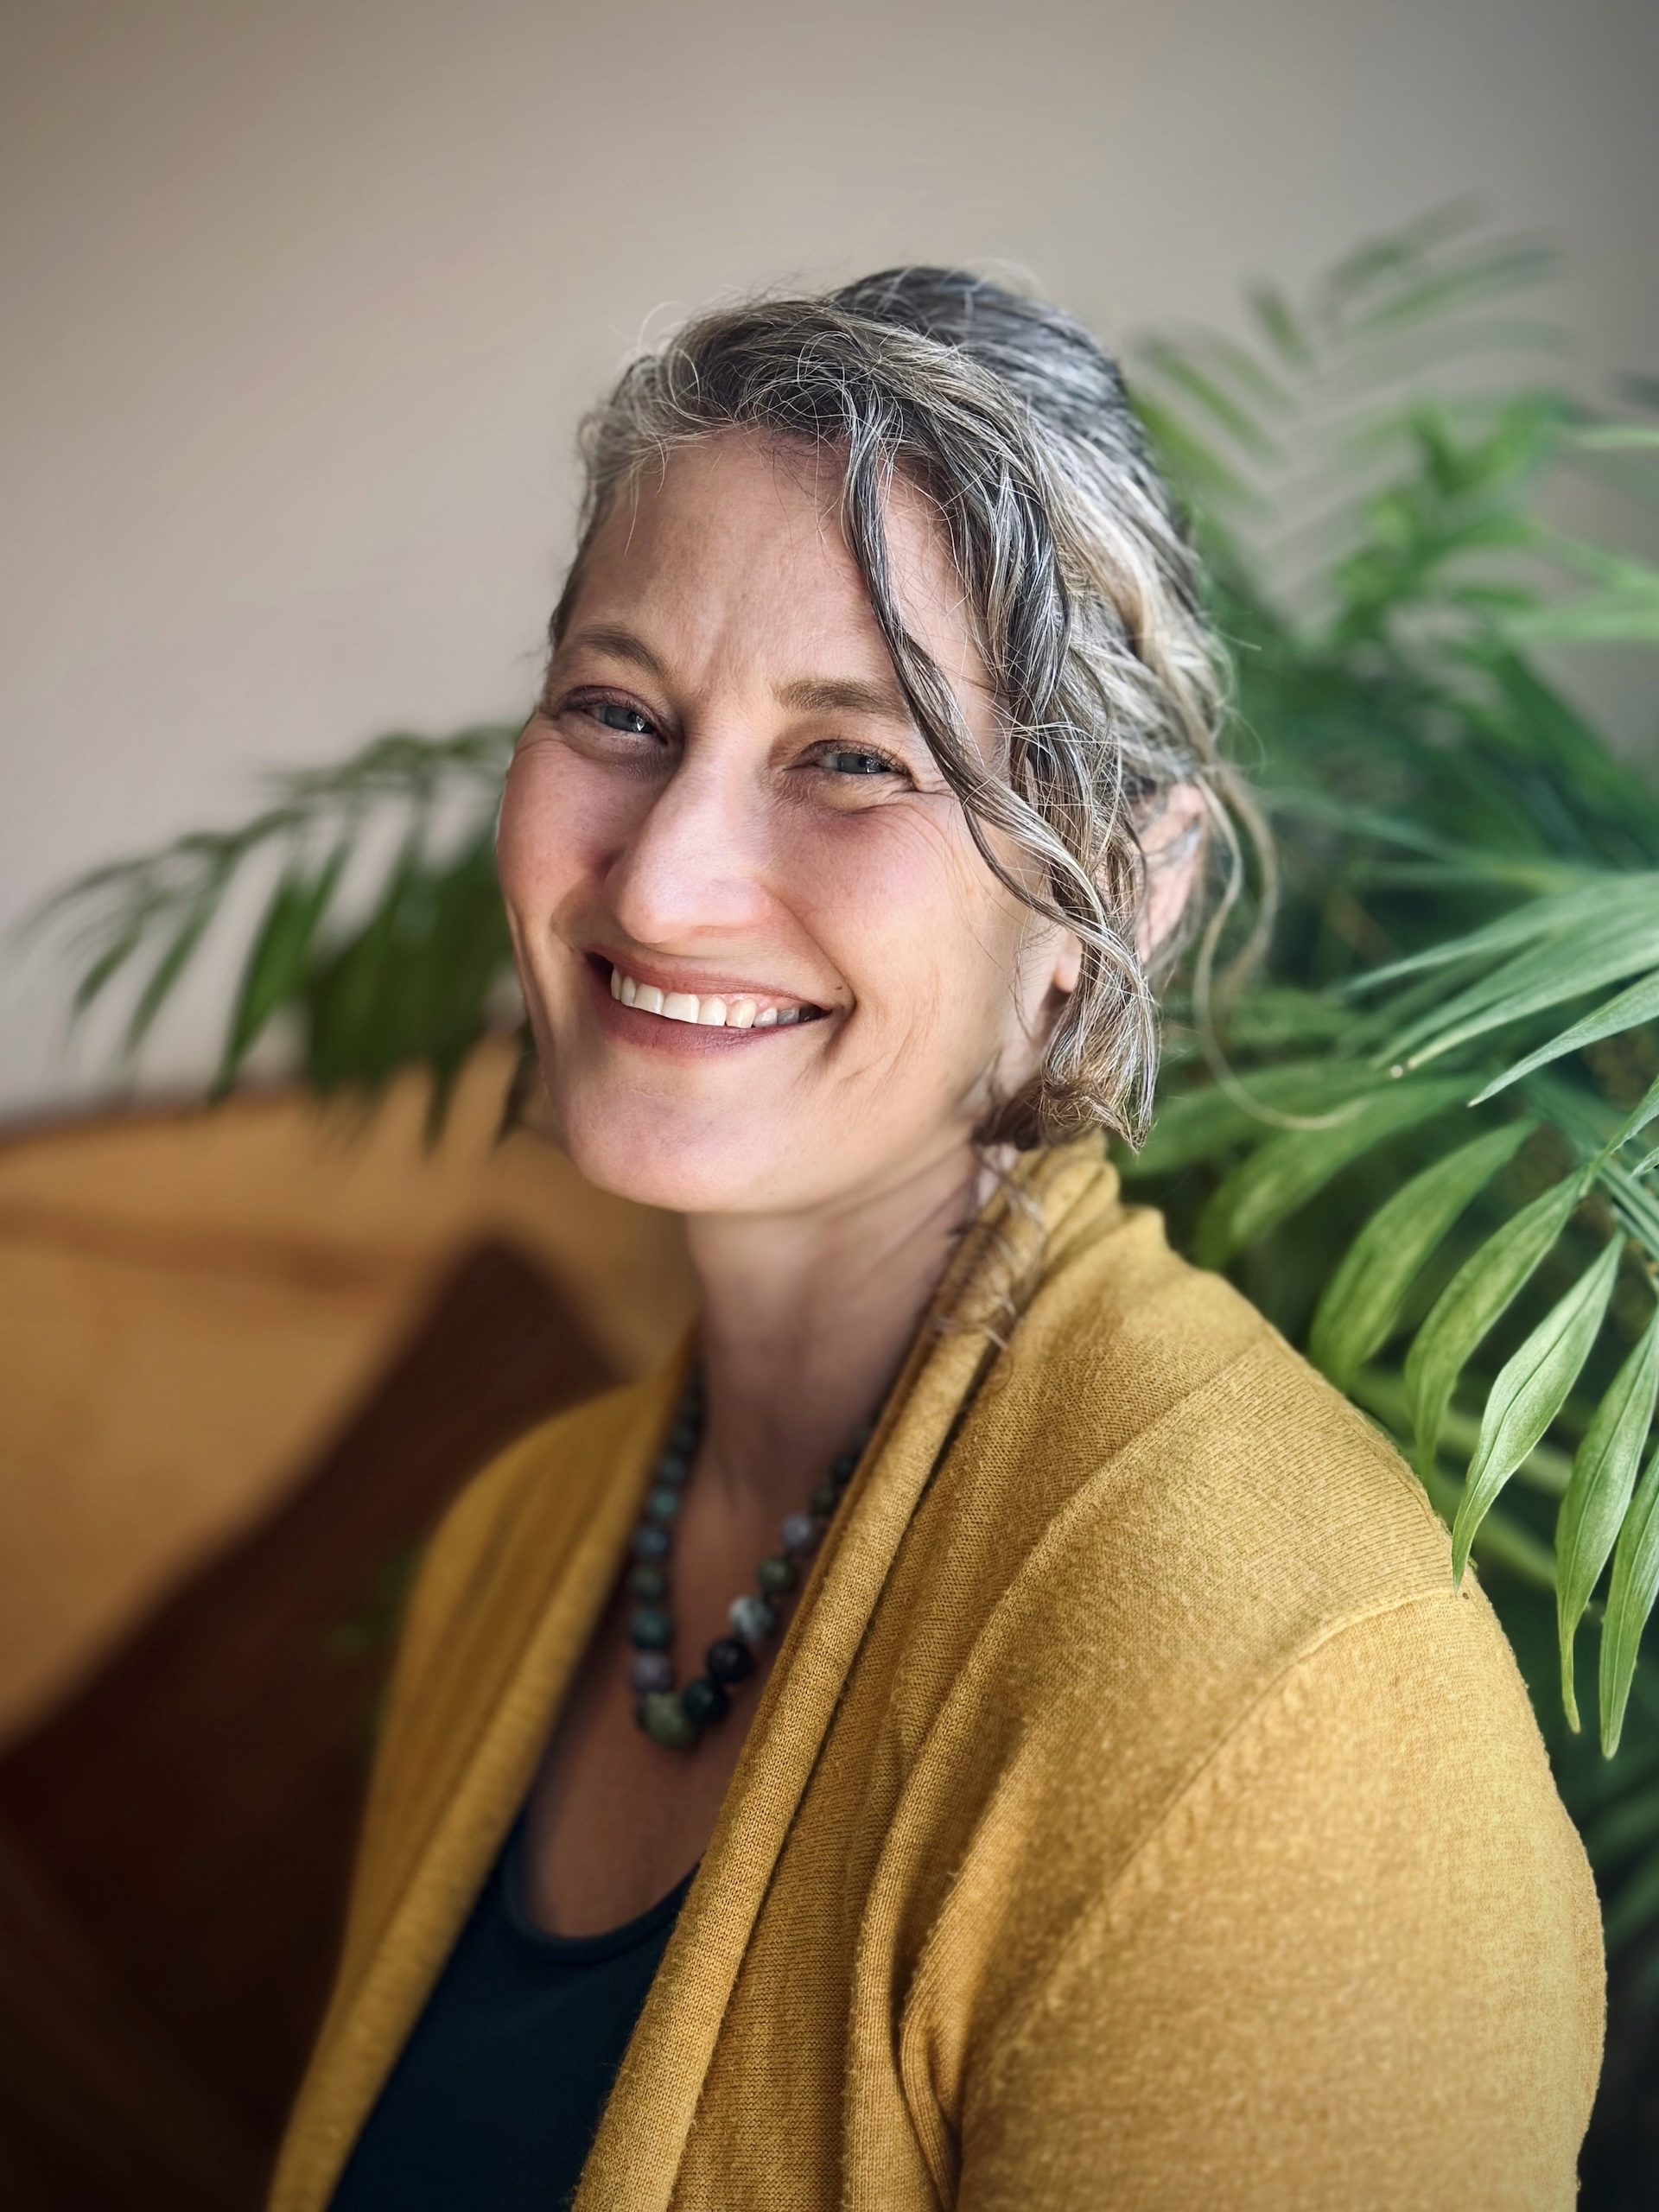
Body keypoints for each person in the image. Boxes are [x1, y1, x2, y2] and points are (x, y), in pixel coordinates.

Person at [271, 270, 1603, 2212]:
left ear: (1118, 894)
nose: (665, 878)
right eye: (619, 712)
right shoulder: (518, 1543)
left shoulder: (1291, 1698)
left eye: (855, 756)